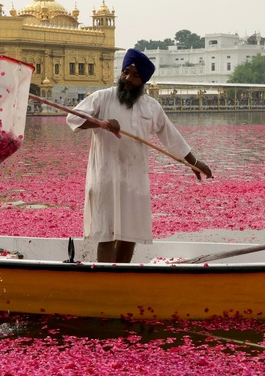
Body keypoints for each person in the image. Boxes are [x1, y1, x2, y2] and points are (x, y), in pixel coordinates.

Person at [67, 48, 213, 263]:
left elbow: (171, 137)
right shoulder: (102, 97)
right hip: (105, 176)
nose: (128, 78)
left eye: (135, 76)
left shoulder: (151, 107)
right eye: (126, 72)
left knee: (130, 232)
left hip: (134, 180)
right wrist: (101, 123)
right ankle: (107, 281)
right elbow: (73, 118)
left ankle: (122, 278)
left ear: (143, 81)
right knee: (106, 233)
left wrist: (194, 162)